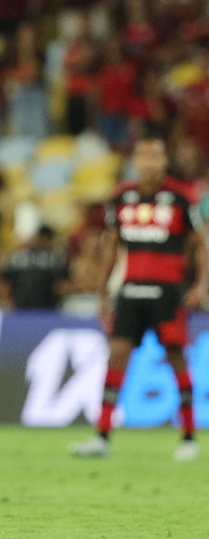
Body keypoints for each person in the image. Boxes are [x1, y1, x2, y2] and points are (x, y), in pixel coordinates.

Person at [69, 134, 207, 461]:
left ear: (164, 161)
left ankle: (189, 437)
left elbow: (200, 244)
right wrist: (103, 292)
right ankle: (102, 436)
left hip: (168, 292)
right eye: (143, 156)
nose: (148, 163)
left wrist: (201, 286)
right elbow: (112, 246)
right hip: (130, 290)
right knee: (117, 355)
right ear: (135, 161)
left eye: (155, 156)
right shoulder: (121, 197)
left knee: (176, 358)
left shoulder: (181, 197)